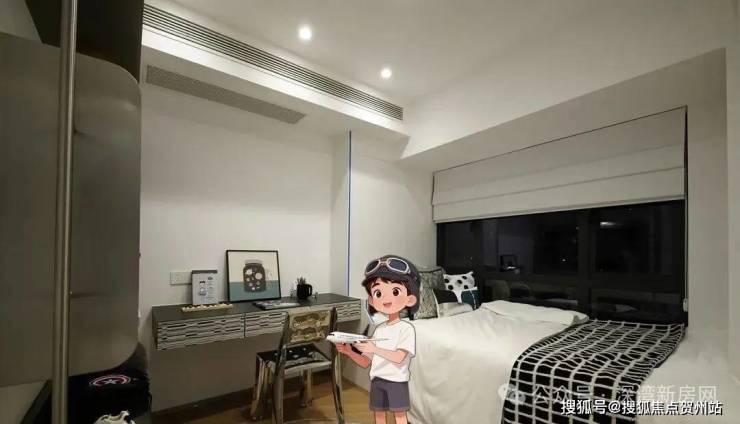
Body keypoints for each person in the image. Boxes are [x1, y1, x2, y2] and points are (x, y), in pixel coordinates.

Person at [333, 255, 420, 424]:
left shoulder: (406, 329)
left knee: (399, 416)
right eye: (378, 293)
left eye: (395, 291)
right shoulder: (379, 330)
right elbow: (366, 362)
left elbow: (399, 357)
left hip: (396, 381)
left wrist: (374, 349)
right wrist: (349, 351)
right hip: (377, 380)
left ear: (410, 299)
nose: (386, 299)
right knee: (379, 415)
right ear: (372, 301)